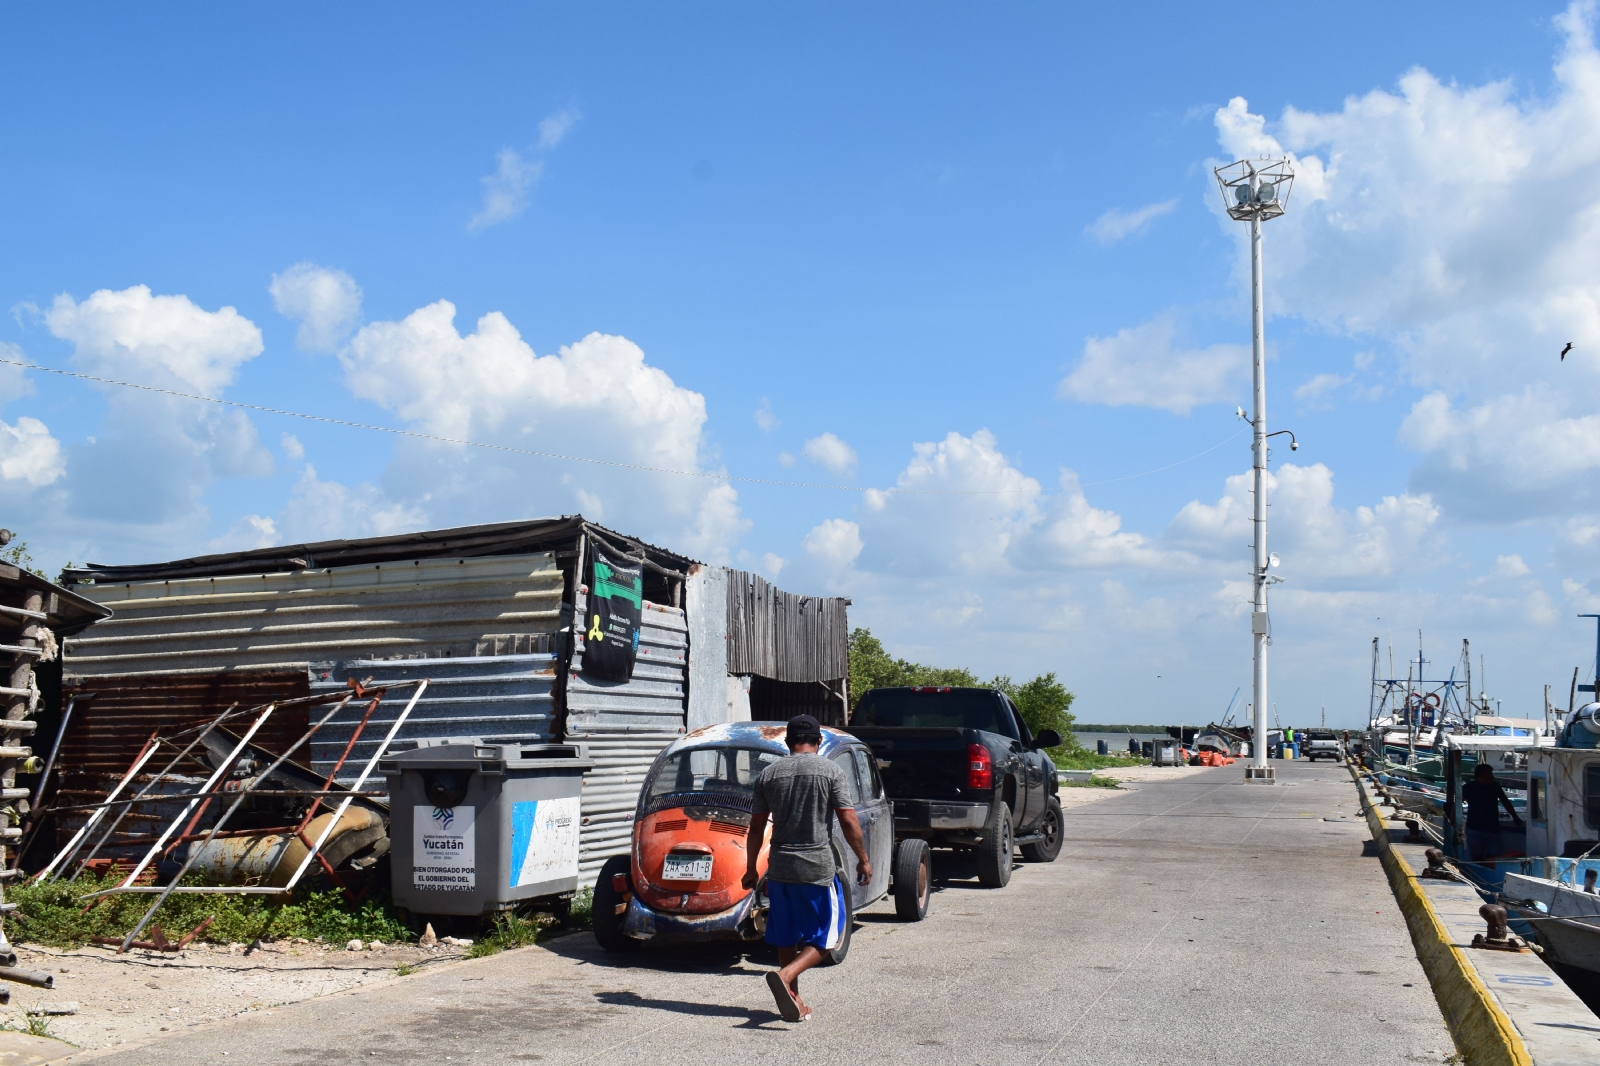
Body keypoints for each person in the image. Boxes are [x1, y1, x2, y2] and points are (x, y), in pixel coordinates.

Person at [743, 714, 871, 1023]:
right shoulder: (830, 771)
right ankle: (786, 976)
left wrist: (751, 869)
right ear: (819, 741)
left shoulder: (768, 775)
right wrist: (863, 859)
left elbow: (756, 827)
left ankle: (795, 1002)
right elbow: (848, 819)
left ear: (787, 743)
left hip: (779, 869)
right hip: (815, 869)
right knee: (827, 939)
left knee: (787, 937)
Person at [1462, 761, 1523, 861]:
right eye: (1490, 775)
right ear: (1481, 776)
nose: (1492, 777)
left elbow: (1505, 802)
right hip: (1474, 828)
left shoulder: (1495, 787)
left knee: (1494, 857)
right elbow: (1457, 804)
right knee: (1476, 856)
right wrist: (1453, 820)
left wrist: (1515, 817)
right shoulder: (1468, 788)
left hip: (1492, 828)